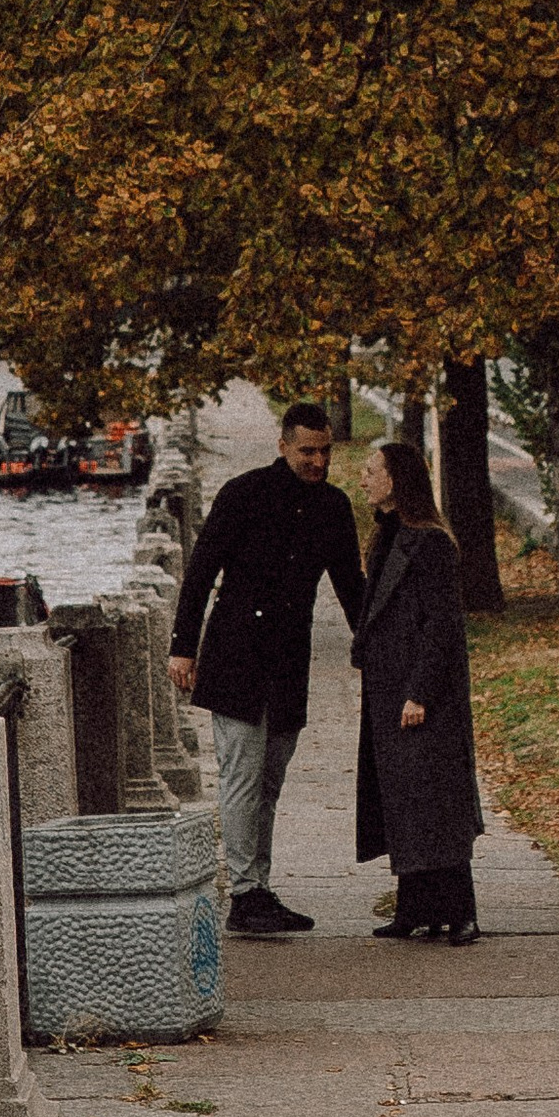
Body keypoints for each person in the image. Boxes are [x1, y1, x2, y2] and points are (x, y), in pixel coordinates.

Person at [168, 400, 364, 935]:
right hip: (235, 653)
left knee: (271, 781)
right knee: (241, 777)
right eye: (308, 451)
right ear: (283, 445)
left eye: (325, 451)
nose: (318, 461)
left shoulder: (333, 508)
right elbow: (200, 571)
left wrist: (374, 647)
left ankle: (260, 888)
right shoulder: (243, 494)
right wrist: (183, 646)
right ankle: (245, 892)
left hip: (288, 660)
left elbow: (352, 587)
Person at [354, 436, 485, 947]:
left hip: (420, 692)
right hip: (390, 686)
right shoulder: (388, 536)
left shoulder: (430, 543)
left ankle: (461, 912)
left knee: (437, 800)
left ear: (395, 480)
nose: (363, 478)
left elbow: (443, 628)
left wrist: (421, 692)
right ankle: (415, 908)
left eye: (370, 470)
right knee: (406, 800)